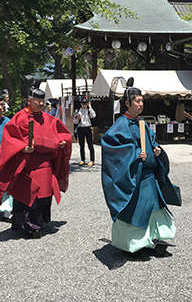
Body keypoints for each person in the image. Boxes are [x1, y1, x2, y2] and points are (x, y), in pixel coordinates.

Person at [101, 84, 181, 256]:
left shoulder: (142, 123)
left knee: (152, 208)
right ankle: (132, 244)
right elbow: (111, 148)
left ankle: (150, 240)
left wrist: (156, 150)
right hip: (133, 177)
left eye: (142, 101)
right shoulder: (120, 124)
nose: (141, 104)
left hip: (148, 177)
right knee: (136, 209)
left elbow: (152, 141)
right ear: (127, 103)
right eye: (137, 101)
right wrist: (135, 153)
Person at [0, 88, 72, 238]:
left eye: (43, 100)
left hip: (45, 164)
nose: (41, 103)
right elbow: (9, 139)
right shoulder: (19, 118)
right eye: (37, 101)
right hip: (28, 165)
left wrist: (61, 142)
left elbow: (64, 134)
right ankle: (28, 225)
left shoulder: (49, 119)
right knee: (28, 195)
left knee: (44, 196)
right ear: (30, 100)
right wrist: (22, 147)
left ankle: (39, 224)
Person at [74, 97, 96, 166]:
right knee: (81, 145)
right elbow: (74, 121)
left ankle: (92, 160)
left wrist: (90, 107)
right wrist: (78, 118)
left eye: (85, 104)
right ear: (80, 104)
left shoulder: (89, 110)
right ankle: (82, 159)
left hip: (87, 128)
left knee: (90, 144)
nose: (84, 105)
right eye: (83, 104)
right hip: (80, 128)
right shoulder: (77, 111)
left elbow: (94, 116)